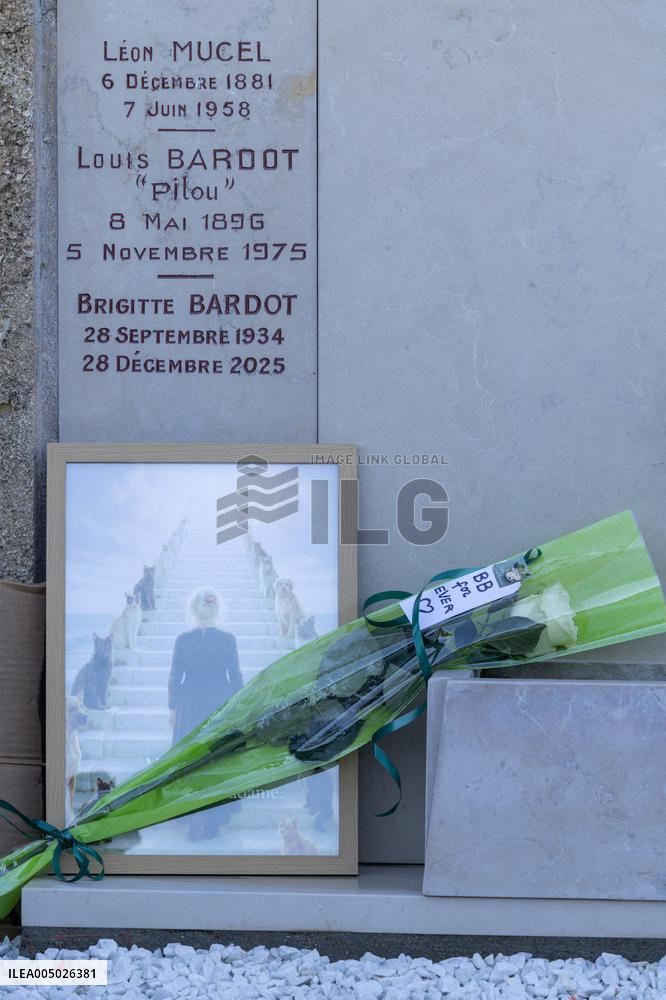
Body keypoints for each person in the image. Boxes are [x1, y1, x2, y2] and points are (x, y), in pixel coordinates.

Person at [168, 587, 243, 840]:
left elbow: (175, 678)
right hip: (220, 703)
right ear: (217, 610)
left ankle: (192, 817)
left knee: (189, 760)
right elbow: (236, 678)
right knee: (217, 759)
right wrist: (240, 708)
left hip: (189, 704)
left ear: (194, 610)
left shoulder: (183, 640)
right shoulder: (228, 639)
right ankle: (214, 818)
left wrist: (172, 708)